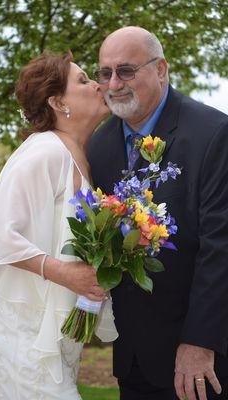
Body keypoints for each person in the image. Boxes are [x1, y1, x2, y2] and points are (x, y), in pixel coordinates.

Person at [0, 51, 117, 399]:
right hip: (13, 332)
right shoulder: (45, 152)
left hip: (48, 333)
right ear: (57, 101)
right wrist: (66, 274)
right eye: (82, 80)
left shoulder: (84, 160)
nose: (97, 84)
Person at [88, 26, 228, 400]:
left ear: (161, 69)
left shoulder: (213, 133)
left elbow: (221, 248)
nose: (114, 83)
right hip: (131, 360)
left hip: (200, 362)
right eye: (105, 73)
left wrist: (199, 342)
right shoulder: (97, 146)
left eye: (126, 70)